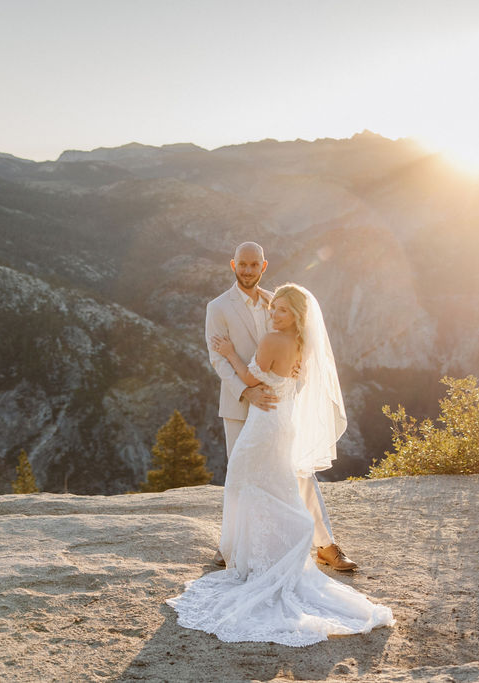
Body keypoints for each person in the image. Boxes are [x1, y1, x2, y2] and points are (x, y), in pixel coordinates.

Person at [167, 283, 393, 645]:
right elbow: (295, 383)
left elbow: (250, 378)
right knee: (277, 485)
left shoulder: (273, 340)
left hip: (264, 423)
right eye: (274, 309)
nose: (274, 315)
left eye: (283, 311)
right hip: (284, 420)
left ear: (297, 316)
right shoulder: (303, 344)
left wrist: (228, 352)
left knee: (245, 481)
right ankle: (274, 551)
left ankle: (257, 558)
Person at [203, 242, 357, 571]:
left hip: (277, 408)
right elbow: (218, 359)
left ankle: (325, 544)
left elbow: (296, 347)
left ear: (263, 266)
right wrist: (248, 391)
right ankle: (233, 544)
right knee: (243, 476)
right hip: (239, 403)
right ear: (233, 265)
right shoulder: (217, 307)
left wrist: (298, 375)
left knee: (298, 473)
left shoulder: (278, 301)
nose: (247, 270)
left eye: (253, 264)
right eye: (242, 264)